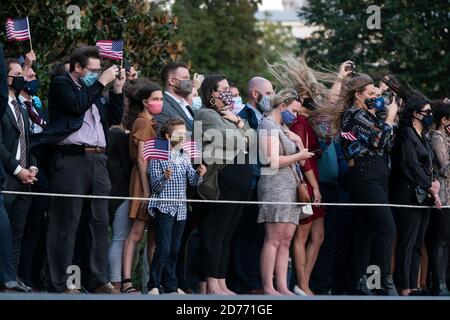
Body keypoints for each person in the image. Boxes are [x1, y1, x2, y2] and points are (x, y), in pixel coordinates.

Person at [32, 46, 125, 293]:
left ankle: (97, 279)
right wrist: (100, 83)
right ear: (77, 67)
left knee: (99, 221)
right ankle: (60, 282)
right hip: (72, 159)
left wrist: (117, 89)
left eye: (98, 70)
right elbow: (76, 107)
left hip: (98, 160)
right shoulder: (62, 84)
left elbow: (114, 118)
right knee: (66, 220)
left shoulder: (94, 90)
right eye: (92, 70)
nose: (97, 74)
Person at [195, 74, 256, 294]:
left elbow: (255, 140)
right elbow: (236, 141)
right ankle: (211, 281)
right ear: (212, 92)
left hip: (239, 180)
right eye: (223, 89)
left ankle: (221, 280)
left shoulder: (230, 115)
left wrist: (238, 121)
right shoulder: (206, 114)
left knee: (228, 234)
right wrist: (241, 130)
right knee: (215, 233)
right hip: (222, 179)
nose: (228, 92)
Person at [340, 73, 398, 295]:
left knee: (366, 232)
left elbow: (388, 144)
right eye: (371, 94)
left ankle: (360, 281)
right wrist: (389, 118)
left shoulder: (370, 117)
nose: (376, 97)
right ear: (358, 95)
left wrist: (386, 119)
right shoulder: (354, 115)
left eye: (377, 94)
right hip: (364, 175)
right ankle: (384, 280)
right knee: (386, 227)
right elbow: (380, 140)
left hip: (377, 174)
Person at [257, 91, 314, 295]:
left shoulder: (284, 128)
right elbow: (271, 160)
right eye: (293, 110)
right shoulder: (267, 125)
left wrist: (298, 141)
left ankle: (281, 285)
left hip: (291, 187)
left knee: (286, 239)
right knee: (273, 238)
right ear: (282, 105)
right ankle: (268, 286)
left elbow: (301, 160)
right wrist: (299, 153)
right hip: (274, 186)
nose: (295, 115)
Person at [147, 119, 206, 295]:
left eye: (184, 133)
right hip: (164, 207)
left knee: (174, 249)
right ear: (167, 136)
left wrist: (199, 174)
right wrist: (164, 177)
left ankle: (170, 286)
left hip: (180, 208)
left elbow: (192, 182)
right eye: (179, 133)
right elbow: (155, 186)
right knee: (163, 248)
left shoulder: (184, 155)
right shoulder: (158, 155)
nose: (183, 136)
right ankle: (153, 284)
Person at [391, 96, 442, 296]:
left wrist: (434, 182)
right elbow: (410, 165)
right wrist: (430, 186)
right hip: (408, 193)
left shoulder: (423, 136)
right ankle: (404, 285)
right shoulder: (406, 134)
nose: (430, 116)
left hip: (425, 194)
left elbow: (428, 166)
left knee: (418, 241)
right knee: (407, 240)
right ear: (415, 114)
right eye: (427, 112)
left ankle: (413, 285)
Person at [121, 79, 163, 294]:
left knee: (154, 235)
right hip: (142, 181)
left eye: (161, 99)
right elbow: (141, 159)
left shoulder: (152, 123)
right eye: (155, 99)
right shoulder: (143, 123)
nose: (159, 102)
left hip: (153, 181)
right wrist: (146, 190)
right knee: (137, 233)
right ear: (145, 102)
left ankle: (153, 282)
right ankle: (127, 281)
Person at [0, 58, 37, 272]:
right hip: (8, 177)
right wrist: (17, 169)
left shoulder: (22, 109)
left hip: (25, 181)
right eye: (16, 75)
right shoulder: (2, 107)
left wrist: (31, 167)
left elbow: (27, 142)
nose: (21, 79)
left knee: (17, 232)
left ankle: (12, 277)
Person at [106, 79, 137, 291]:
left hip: (121, 190)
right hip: (120, 191)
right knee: (120, 238)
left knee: (123, 238)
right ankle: (116, 282)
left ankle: (118, 281)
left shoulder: (117, 133)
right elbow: (127, 166)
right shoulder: (116, 134)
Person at [428, 99, 450, 296]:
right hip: (442, 195)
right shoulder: (437, 137)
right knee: (441, 240)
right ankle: (438, 282)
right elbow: (445, 168)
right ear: (445, 120)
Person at [155, 62, 195, 133]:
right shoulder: (162, 105)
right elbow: (160, 137)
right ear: (172, 81)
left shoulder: (187, 105)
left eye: (189, 78)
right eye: (185, 78)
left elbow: (198, 135)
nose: (189, 81)